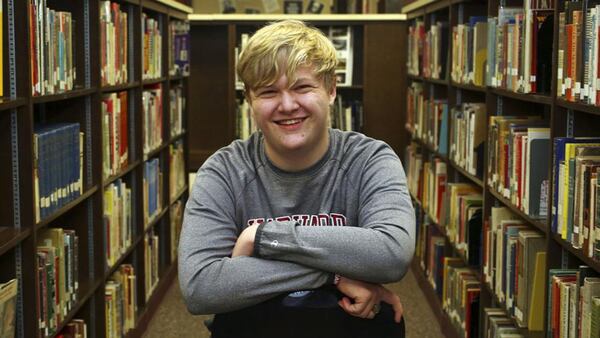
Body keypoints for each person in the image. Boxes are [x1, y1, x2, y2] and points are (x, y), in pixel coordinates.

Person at [178, 19, 415, 338]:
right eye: (268, 92)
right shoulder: (224, 171)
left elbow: (392, 253)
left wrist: (260, 237)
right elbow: (202, 287)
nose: (287, 105)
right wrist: (333, 274)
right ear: (249, 99)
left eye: (302, 87)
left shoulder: (370, 160)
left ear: (331, 90)